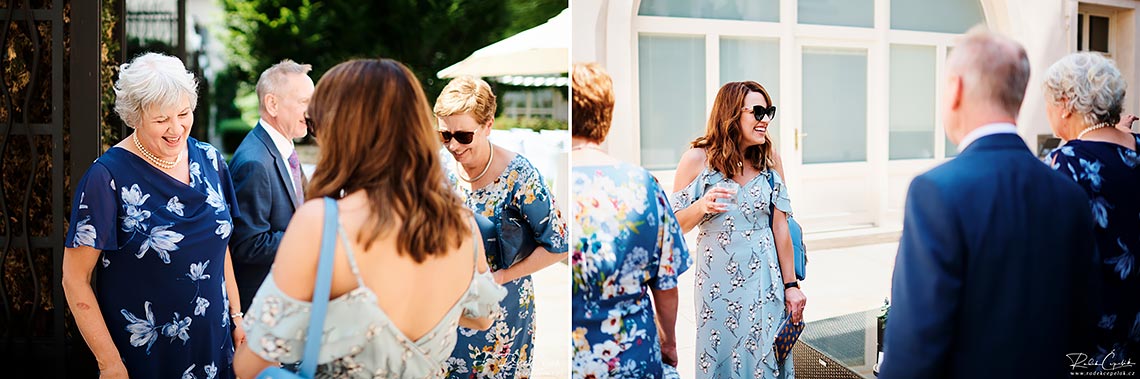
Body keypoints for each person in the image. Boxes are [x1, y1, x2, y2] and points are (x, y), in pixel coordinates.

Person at [233, 58, 507, 378]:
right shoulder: (462, 222)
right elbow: (483, 316)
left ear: (342, 132)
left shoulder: (322, 223)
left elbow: (249, 363)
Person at [879, 28, 1099, 379]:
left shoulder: (935, 192)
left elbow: (913, 347)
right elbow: (1085, 326)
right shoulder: (1068, 195)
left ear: (956, 90)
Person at [61, 52, 244, 378]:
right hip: (145, 357)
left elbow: (220, 244)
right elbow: (75, 279)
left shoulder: (212, 160)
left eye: (183, 113)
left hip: (214, 344)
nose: (176, 129)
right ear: (135, 116)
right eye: (162, 120)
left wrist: (237, 316)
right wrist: (109, 363)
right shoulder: (107, 178)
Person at [435, 76, 569, 378]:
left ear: (488, 125)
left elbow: (559, 245)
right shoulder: (439, 169)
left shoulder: (520, 176)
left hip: (502, 317)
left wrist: (503, 276)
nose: (453, 145)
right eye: (445, 135)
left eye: (464, 136)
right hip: (446, 314)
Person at [670, 80, 805, 378]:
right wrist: (702, 206)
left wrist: (791, 286)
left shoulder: (770, 160)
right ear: (731, 113)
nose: (765, 119)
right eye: (757, 111)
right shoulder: (697, 159)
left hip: (764, 282)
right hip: (717, 288)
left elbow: (780, 227)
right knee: (722, 359)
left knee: (764, 357)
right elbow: (674, 225)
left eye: (769, 111)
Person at [570, 62, 692, 379]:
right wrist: (669, 343)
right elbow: (666, 283)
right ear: (606, 117)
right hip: (631, 353)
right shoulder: (641, 184)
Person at [1044, 52, 1138, 369]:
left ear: (1067, 103)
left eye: (1049, 101)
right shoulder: (1136, 145)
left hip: (1091, 338)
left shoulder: (1064, 163)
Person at [229, 59, 315, 312]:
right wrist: (311, 238)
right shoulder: (254, 162)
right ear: (272, 104)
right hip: (263, 306)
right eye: (303, 102)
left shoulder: (282, 147)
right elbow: (248, 244)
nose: (311, 112)